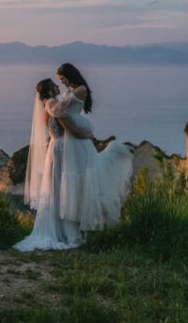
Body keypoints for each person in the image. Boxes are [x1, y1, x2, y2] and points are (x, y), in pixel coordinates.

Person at [14, 65, 133, 252]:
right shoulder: (54, 107)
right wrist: (88, 135)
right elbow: (69, 127)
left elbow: (62, 121)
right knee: (64, 190)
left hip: (55, 150)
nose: (59, 86)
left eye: (60, 80)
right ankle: (68, 233)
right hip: (62, 151)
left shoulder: (50, 107)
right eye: (56, 84)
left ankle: (60, 230)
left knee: (56, 191)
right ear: (50, 90)